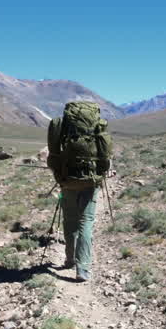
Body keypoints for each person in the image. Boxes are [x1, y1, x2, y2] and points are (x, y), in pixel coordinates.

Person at [47, 101, 113, 282]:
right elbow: (105, 157)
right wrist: (101, 173)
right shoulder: (97, 127)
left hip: (67, 181)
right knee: (86, 222)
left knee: (69, 220)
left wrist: (59, 174)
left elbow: (53, 155)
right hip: (90, 182)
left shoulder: (63, 126)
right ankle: (82, 268)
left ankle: (69, 259)